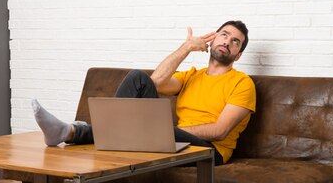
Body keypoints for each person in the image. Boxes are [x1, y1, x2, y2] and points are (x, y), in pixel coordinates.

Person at [32, 20, 256, 165]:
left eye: (235, 42)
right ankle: (73, 132)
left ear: (237, 55)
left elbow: (219, 131)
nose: (228, 42)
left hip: (210, 151)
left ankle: (70, 131)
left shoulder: (242, 83)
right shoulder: (191, 75)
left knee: (143, 130)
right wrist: (186, 48)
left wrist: (166, 131)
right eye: (224, 35)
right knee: (137, 77)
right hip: (177, 140)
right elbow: (153, 83)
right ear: (213, 39)